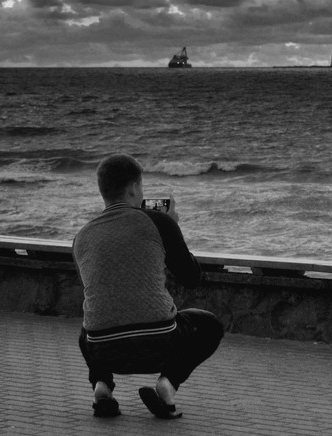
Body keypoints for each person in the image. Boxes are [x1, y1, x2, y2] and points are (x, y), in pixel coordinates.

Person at [74, 154, 224, 419]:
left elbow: (97, 288)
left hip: (104, 351)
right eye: (140, 187)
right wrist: (172, 229)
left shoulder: (82, 236)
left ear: (102, 190)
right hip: (159, 345)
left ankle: (102, 387)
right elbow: (191, 277)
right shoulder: (159, 222)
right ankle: (167, 385)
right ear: (133, 188)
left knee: (88, 328)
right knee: (210, 326)